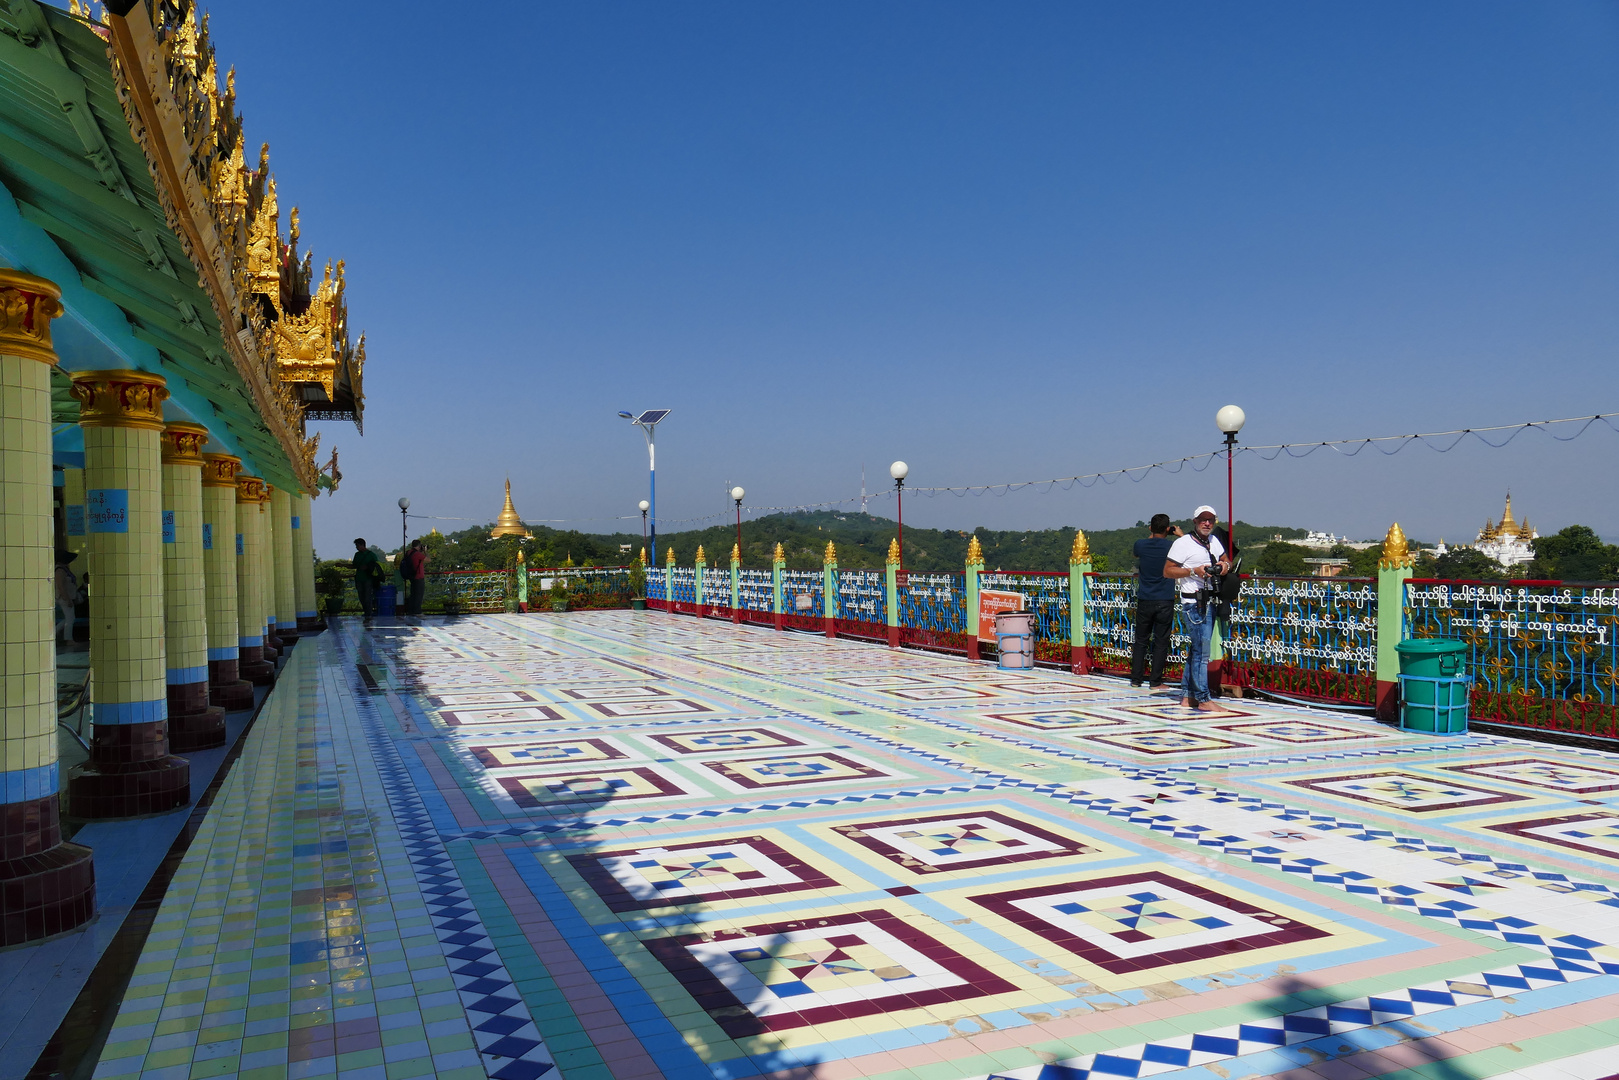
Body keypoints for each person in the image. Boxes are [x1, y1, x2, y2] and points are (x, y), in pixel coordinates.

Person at [1165, 505, 1230, 712]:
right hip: (1194, 603)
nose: (1207, 523)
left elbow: (1225, 559)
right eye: (1203, 519)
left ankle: (1187, 696)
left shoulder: (1213, 541)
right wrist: (1194, 571)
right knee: (1202, 654)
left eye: (1210, 520)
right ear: (1195, 521)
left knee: (1196, 650)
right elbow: (1167, 571)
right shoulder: (1182, 543)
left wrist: (1223, 567)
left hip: (1209, 600)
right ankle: (1203, 698)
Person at [1129, 515, 1179, 687]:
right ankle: (1155, 681)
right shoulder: (1173, 546)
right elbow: (1189, 548)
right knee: (1160, 641)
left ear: (1150, 528)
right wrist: (1179, 534)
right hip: (1164, 599)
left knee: (1141, 640)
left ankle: (1136, 679)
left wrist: (1155, 533)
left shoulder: (1140, 545)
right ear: (1168, 529)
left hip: (1145, 599)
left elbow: (1138, 551)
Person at [351, 538, 383, 618]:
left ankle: (368, 612)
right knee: (361, 596)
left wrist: (368, 567)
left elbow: (377, 565)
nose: (356, 548)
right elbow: (354, 565)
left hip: (368, 578)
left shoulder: (371, 555)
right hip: (359, 578)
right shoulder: (357, 555)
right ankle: (366, 611)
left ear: (362, 545)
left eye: (357, 546)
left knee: (367, 596)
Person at [55, 550, 79, 643]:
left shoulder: (64, 569)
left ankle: (55, 632)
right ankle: (68, 639)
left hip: (66, 597)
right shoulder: (60, 570)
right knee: (70, 618)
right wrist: (67, 599)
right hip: (63, 598)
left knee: (68, 618)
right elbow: (60, 586)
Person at [400, 539, 428, 616]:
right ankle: (417, 611)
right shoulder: (417, 554)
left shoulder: (408, 553)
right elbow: (428, 560)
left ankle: (411, 611)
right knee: (419, 595)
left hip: (411, 576)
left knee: (413, 594)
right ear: (419, 546)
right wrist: (425, 551)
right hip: (418, 576)